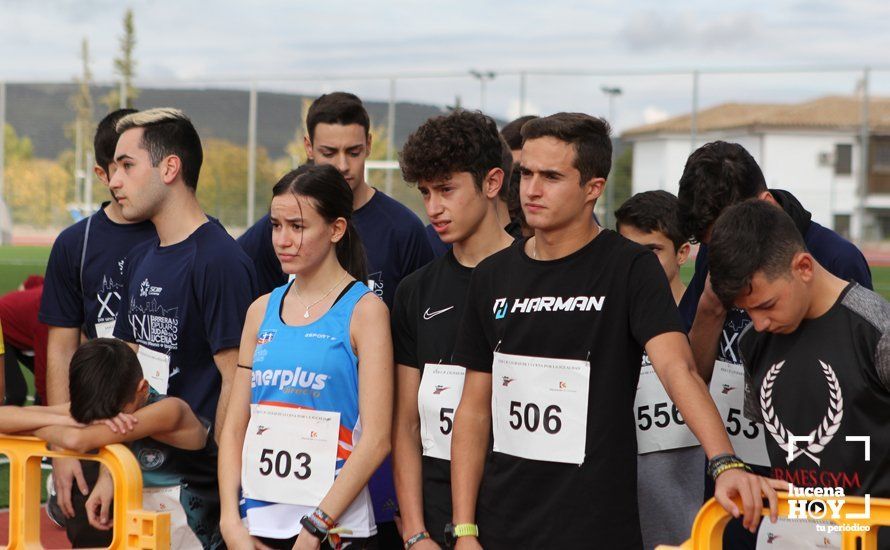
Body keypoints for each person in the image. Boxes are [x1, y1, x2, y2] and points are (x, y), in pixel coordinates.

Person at [449, 113, 782, 550]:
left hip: (596, 527)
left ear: (593, 188)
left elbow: (678, 367)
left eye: (551, 176)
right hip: (501, 527)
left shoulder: (630, 268)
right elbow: (473, 409)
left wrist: (724, 463)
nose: (530, 190)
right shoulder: (492, 276)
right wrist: (464, 529)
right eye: (526, 173)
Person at [677, 141, 873, 547]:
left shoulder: (835, 259)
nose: (758, 323)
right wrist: (711, 309)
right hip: (741, 456)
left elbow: (861, 394)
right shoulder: (711, 261)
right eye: (715, 244)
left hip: (822, 476)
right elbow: (691, 373)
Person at [219, 164, 392, 550]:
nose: (282, 239)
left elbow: (377, 438)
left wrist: (316, 527)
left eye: (297, 227)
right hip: (259, 525)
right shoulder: (259, 311)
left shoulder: (366, 312)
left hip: (334, 531)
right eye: (276, 226)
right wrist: (230, 520)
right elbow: (235, 427)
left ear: (335, 229)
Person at [708, 199, 890, 550]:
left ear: (804, 267)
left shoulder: (877, 331)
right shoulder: (753, 342)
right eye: (746, 311)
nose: (758, 323)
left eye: (766, 305)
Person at [391, 110, 514, 548]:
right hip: (437, 524)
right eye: (425, 192)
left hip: (521, 516)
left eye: (446, 189)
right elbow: (405, 424)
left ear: (491, 183)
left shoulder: (539, 281)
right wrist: (414, 532)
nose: (433, 208)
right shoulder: (414, 292)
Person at [38, 108, 158, 544]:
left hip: (163, 433)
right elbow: (61, 347)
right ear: (102, 173)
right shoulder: (76, 243)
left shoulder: (180, 235)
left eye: (136, 163)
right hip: (93, 430)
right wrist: (64, 446)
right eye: (120, 166)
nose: (127, 177)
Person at [110, 107, 257, 440]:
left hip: (192, 481)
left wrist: (215, 478)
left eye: (127, 165)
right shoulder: (138, 258)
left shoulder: (219, 261)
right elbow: (123, 369)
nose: (114, 180)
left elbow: (237, 381)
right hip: (136, 466)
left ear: (170, 168)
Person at [32, 338, 222, 549]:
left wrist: (51, 424)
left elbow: (77, 440)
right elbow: (8, 417)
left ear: (143, 389)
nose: (107, 423)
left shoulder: (171, 411)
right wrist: (63, 419)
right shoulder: (109, 410)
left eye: (115, 415)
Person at [615, 191, 702, 550]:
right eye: (625, 248)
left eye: (650, 251)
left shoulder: (705, 319)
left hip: (695, 506)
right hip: (624, 505)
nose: (635, 260)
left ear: (682, 253)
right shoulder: (604, 319)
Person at [1, 275, 47, 405]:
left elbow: (34, 280)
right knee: (15, 393)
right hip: (3, 328)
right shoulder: (49, 318)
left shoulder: (64, 294)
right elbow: (44, 378)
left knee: (59, 380)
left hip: (17, 332)